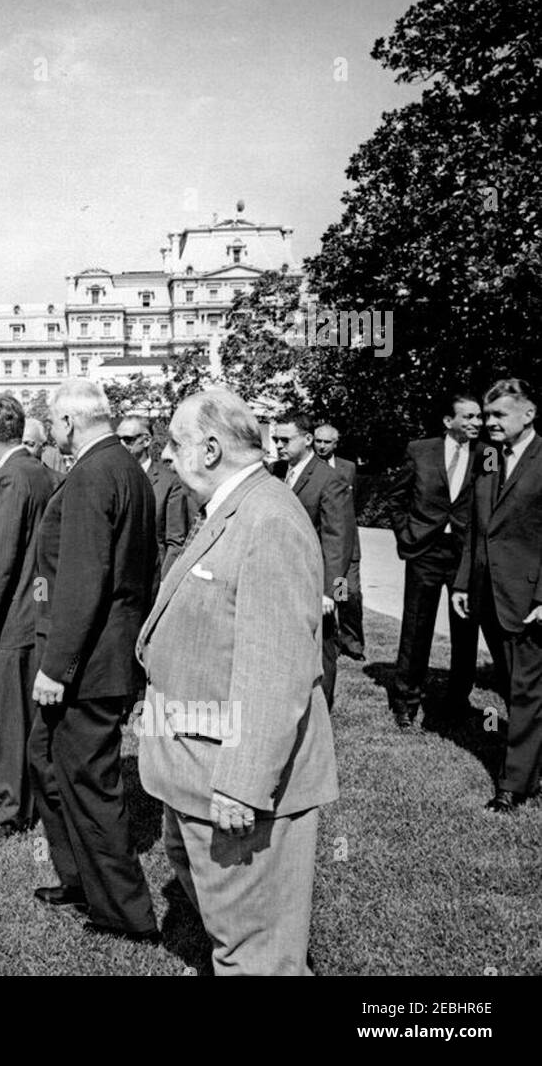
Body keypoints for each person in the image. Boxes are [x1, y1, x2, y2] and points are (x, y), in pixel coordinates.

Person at [139, 388, 338, 975]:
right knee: (234, 936)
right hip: (196, 772)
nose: (167, 457)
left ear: (210, 448)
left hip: (232, 785)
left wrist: (243, 786)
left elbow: (276, 667)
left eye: (174, 445)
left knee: (256, 956)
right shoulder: (233, 506)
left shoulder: (267, 517)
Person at [27, 379, 158, 942]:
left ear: (68, 424)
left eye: (54, 425)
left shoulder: (90, 474)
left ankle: (125, 911)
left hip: (90, 660)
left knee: (89, 779)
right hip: (109, 652)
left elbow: (84, 581)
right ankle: (80, 877)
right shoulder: (127, 468)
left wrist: (57, 668)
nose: (54, 435)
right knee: (49, 759)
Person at [0, 395, 57, 839]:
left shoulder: (6, 479)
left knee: (9, 717)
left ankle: (8, 812)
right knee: (35, 717)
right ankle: (34, 802)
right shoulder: (43, 472)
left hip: (14, 618)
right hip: (40, 613)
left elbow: (0, 557)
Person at [453, 378, 542, 813]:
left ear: (528, 414)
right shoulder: (487, 457)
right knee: (513, 687)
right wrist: (464, 582)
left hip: (530, 599)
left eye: (499, 415)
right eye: (486, 416)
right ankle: (532, 765)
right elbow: (475, 526)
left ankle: (513, 786)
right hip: (489, 594)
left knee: (526, 690)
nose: (489, 423)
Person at [390, 395, 487, 728]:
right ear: (449, 421)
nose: (478, 423)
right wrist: (407, 536)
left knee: (464, 630)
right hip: (425, 552)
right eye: (469, 417)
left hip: (465, 555)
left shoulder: (486, 455)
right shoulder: (420, 450)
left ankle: (457, 700)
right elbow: (397, 499)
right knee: (416, 627)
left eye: (480, 417)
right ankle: (406, 700)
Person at [271, 413, 355, 710]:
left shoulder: (329, 479)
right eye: (276, 439)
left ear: (307, 440)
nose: (279, 445)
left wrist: (329, 591)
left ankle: (321, 708)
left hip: (312, 579)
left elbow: (338, 539)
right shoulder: (275, 472)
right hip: (278, 576)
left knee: (322, 646)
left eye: (285, 439)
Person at [117, 415, 193, 588]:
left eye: (128, 440)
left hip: (150, 582)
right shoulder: (112, 479)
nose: (121, 445)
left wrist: (163, 583)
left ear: (146, 440)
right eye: (118, 439)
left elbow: (175, 541)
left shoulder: (169, 482)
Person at [314, 423, 365, 660]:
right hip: (321, 545)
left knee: (347, 592)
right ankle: (329, 639)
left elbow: (353, 504)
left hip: (346, 545)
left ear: (336, 443)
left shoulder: (348, 468)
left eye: (327, 442)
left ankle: (351, 640)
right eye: (318, 441)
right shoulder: (310, 470)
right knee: (325, 593)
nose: (321, 446)